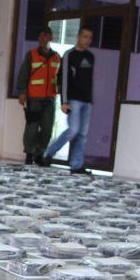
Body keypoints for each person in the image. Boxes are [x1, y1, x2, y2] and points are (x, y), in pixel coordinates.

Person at [40, 27, 95, 172]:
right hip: (74, 100)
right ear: (78, 37)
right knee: (73, 130)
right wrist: (64, 101)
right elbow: (63, 79)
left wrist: (91, 99)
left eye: (89, 37)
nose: (87, 40)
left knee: (82, 135)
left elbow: (90, 80)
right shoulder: (69, 55)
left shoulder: (90, 57)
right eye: (85, 36)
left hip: (87, 101)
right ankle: (49, 153)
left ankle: (77, 165)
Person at [15, 26, 60, 165]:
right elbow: (23, 74)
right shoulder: (32, 54)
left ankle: (39, 153)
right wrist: (22, 92)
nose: (42, 39)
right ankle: (29, 153)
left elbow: (60, 78)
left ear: (51, 38)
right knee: (32, 128)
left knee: (47, 130)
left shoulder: (57, 57)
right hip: (34, 98)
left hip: (49, 100)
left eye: (45, 36)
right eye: (40, 36)